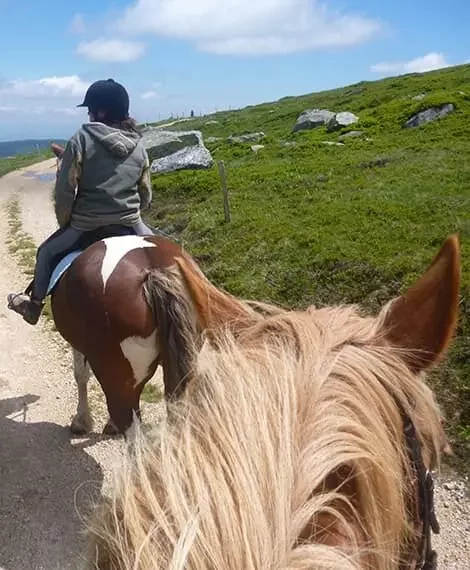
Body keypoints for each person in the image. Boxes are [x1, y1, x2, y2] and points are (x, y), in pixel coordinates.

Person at [7, 78, 154, 325]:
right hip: (130, 222)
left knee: (45, 252)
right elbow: (146, 192)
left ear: (101, 111)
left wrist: (66, 222)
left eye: (89, 110)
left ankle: (33, 306)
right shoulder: (139, 145)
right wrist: (136, 213)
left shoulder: (81, 139)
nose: (88, 115)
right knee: (172, 255)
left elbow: (65, 190)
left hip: (87, 224)